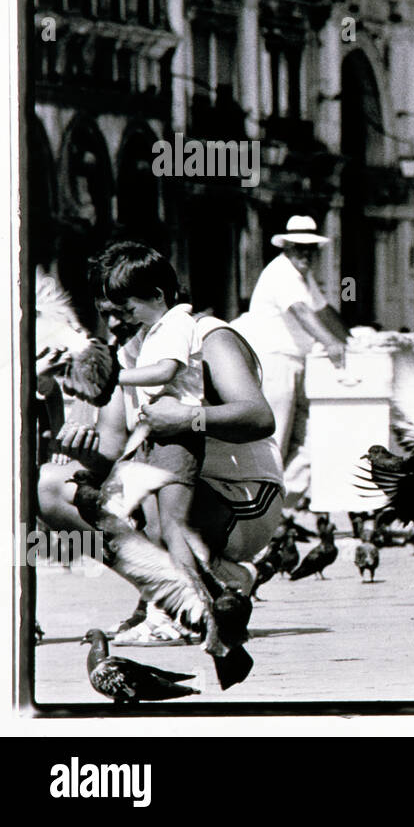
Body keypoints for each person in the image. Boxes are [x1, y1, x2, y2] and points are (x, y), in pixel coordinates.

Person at [39, 243, 285, 644]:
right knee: (52, 485)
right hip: (177, 490)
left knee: (148, 482)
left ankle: (180, 601)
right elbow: (110, 453)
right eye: (107, 314)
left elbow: (259, 417)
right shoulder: (125, 358)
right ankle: (185, 589)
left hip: (243, 500)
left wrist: (192, 417)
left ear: (157, 297)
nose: (116, 323)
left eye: (124, 310)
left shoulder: (209, 335)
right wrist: (77, 448)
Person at [97, 244, 209, 587]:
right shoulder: (152, 329)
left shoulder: (176, 324)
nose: (127, 319)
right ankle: (178, 599)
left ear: (157, 295)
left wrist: (114, 376)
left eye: (131, 309)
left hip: (178, 436)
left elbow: (164, 371)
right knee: (157, 527)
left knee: (174, 525)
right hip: (156, 435)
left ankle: (197, 598)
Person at [233, 215, 348, 510]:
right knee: (276, 439)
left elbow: (323, 311)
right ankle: (259, 508)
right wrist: (331, 343)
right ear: (287, 248)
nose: (305, 254)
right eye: (299, 248)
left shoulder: (303, 277)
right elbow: (301, 312)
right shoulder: (281, 273)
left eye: (310, 249)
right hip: (276, 361)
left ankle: (282, 507)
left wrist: (350, 340)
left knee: (307, 440)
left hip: (299, 363)